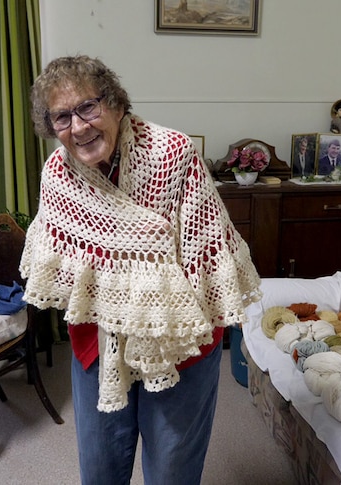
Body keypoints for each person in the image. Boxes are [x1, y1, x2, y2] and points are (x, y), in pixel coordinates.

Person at [20, 55, 262, 485]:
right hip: (99, 338)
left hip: (179, 340)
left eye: (88, 108)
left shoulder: (172, 153)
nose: (78, 127)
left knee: (173, 470)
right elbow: (57, 266)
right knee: (100, 469)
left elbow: (209, 254)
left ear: (114, 103)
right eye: (61, 117)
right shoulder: (57, 175)